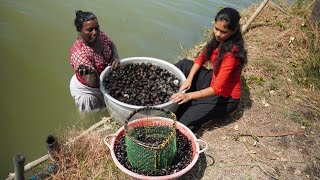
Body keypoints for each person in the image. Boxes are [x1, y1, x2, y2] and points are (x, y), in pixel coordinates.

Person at [170, 7, 247, 131]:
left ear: (233, 31)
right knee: (184, 64)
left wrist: (189, 96)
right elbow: (201, 58)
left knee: (181, 122)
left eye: (223, 31)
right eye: (216, 28)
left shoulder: (232, 55)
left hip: (225, 97)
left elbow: (217, 89)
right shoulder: (217, 40)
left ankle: (216, 111)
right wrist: (189, 78)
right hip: (212, 80)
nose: (217, 34)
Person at [69, 10, 120, 112]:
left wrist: (115, 57)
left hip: (104, 82)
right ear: (80, 31)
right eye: (89, 30)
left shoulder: (100, 36)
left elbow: (111, 44)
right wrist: (92, 73)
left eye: (97, 28)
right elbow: (93, 84)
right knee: (92, 115)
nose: (95, 32)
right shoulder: (79, 53)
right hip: (89, 91)